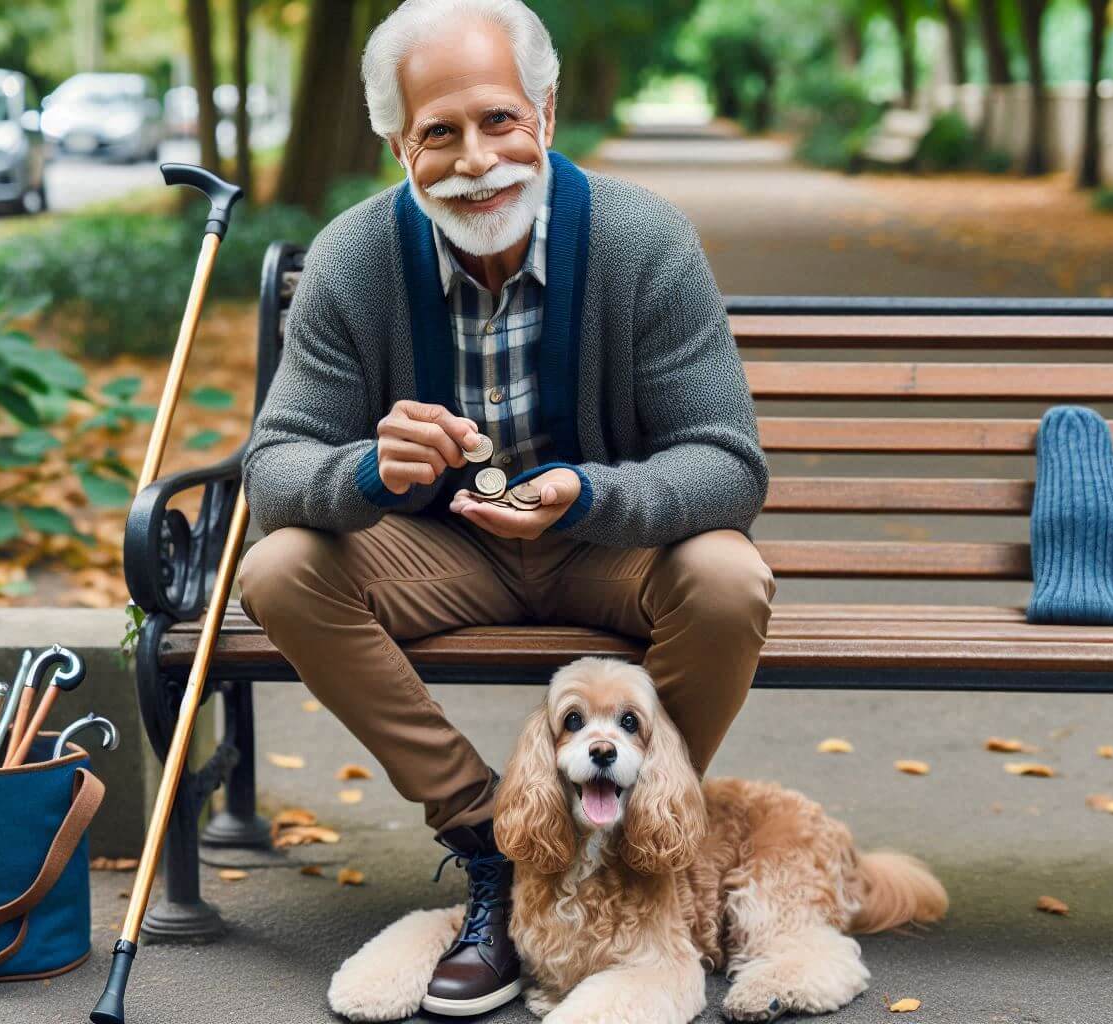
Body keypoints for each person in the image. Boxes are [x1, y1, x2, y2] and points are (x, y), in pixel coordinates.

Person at [235, 0, 774, 1015]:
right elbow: (274, 467)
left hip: (600, 545)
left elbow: (726, 465)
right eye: (437, 132)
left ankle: (634, 837)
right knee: (277, 568)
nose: (474, 159)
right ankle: (491, 845)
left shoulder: (641, 241)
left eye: (497, 120)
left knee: (725, 574)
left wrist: (593, 493)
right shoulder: (356, 257)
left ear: (546, 113)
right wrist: (366, 470)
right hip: (445, 548)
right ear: (397, 142)